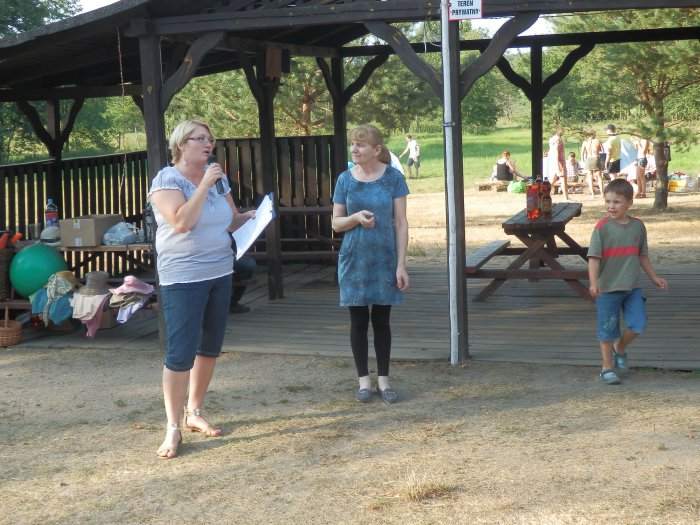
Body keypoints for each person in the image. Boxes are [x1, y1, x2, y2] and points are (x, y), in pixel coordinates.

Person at [149, 119, 254, 459]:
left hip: (220, 271)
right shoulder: (167, 180)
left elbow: (230, 220)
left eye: (210, 139)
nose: (208, 144)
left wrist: (252, 216)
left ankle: (194, 412)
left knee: (209, 347)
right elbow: (182, 222)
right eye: (200, 139)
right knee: (180, 353)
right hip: (183, 277)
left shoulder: (217, 178)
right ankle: (173, 427)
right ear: (182, 144)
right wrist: (204, 185)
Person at [332, 124, 409, 405]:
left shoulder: (393, 178)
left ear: (376, 150)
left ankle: (384, 381)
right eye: (353, 143)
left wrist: (401, 265)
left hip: (385, 259)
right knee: (358, 322)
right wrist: (355, 219)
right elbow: (336, 223)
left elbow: (401, 223)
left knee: (382, 321)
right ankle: (363, 381)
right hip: (354, 259)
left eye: (361, 144)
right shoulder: (345, 180)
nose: (354, 149)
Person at [587, 179, 668, 385]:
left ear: (629, 203)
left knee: (638, 324)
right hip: (607, 288)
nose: (611, 206)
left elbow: (642, 255)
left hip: (632, 287)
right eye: (608, 201)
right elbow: (593, 258)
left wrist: (654, 277)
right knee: (607, 330)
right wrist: (593, 283)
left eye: (617, 202)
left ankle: (620, 347)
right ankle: (607, 368)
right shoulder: (602, 228)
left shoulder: (638, 226)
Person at [580, 130, 604, 197]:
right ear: (593, 134)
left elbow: (582, 153)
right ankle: (602, 193)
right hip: (596, 158)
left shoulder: (585, 142)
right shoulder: (597, 141)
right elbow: (602, 150)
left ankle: (592, 194)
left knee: (590, 177)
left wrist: (583, 160)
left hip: (589, 159)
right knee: (599, 176)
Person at [547, 129, 567, 200]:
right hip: (559, 161)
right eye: (562, 131)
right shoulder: (558, 140)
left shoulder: (551, 139)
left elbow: (550, 151)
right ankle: (566, 197)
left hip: (553, 160)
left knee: (553, 179)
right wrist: (558, 164)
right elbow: (556, 152)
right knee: (563, 178)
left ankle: (545, 193)